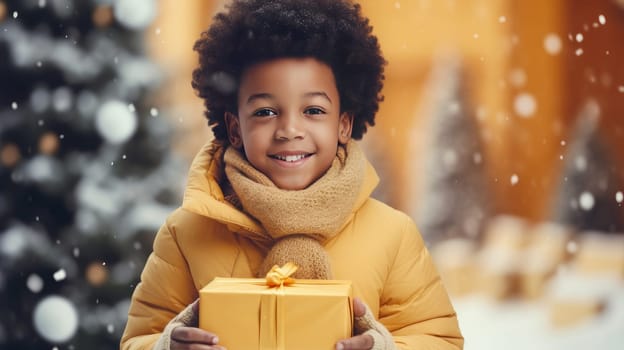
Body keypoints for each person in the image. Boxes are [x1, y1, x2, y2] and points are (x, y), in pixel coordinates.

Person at [121, 0, 463, 349]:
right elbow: (139, 340)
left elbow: (439, 339)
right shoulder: (188, 235)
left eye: (313, 110)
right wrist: (167, 346)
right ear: (235, 128)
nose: (289, 130)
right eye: (266, 111)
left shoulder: (392, 236)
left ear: (343, 124)